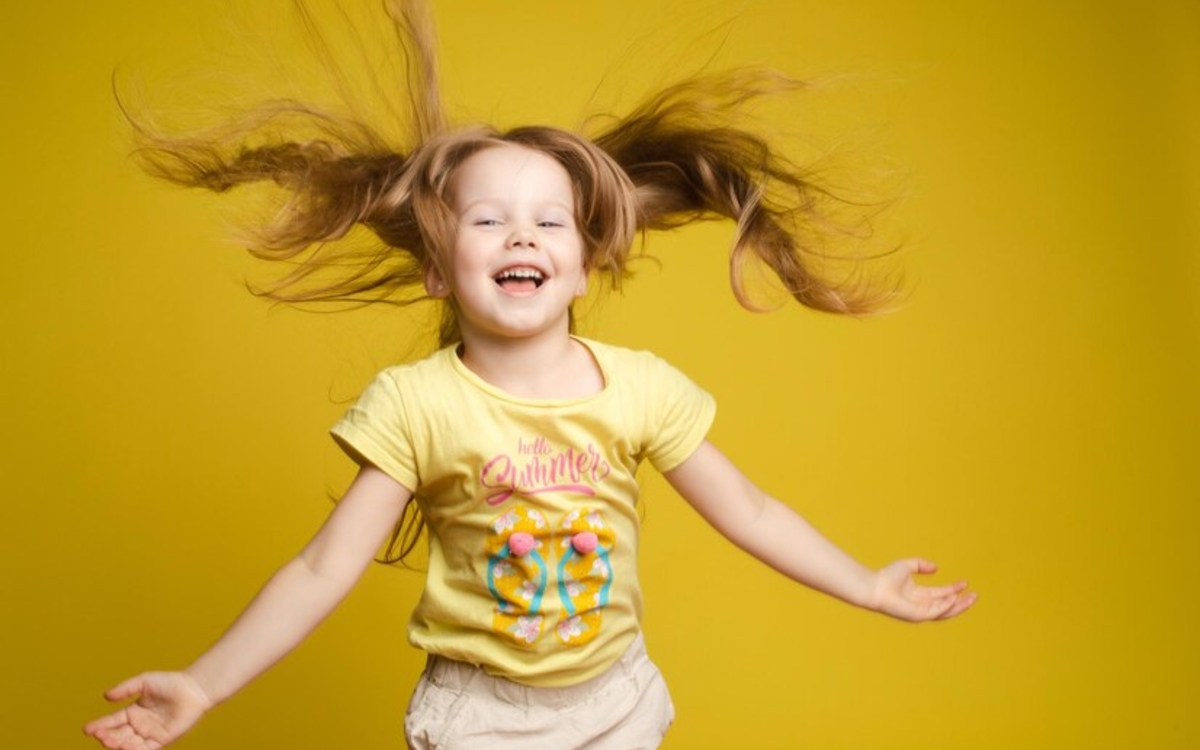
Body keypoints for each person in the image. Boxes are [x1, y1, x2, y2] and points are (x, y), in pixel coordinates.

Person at [85, 3, 975, 749]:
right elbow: (322, 570)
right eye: (488, 221)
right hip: (480, 718)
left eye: (550, 222)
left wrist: (866, 585)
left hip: (616, 703)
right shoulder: (416, 404)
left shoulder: (641, 388)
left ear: (586, 267)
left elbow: (751, 511)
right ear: (438, 268)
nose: (521, 237)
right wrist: (203, 685)